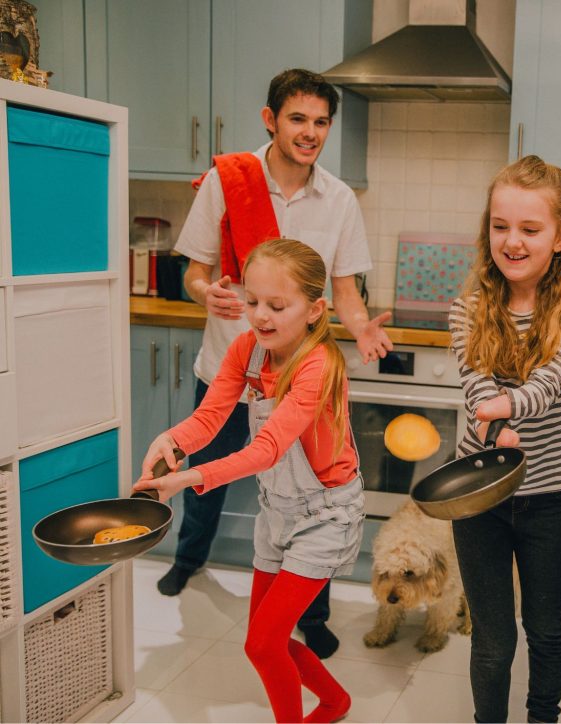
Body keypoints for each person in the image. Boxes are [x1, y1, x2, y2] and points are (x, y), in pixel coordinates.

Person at [163, 68, 392, 659]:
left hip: (295, 382)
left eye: (320, 122)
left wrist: (361, 325)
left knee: (307, 499)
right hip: (229, 365)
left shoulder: (339, 199)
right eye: (298, 119)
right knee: (208, 477)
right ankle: (189, 561)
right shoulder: (227, 180)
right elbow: (195, 269)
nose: (310, 132)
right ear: (270, 119)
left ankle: (311, 614)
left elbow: (343, 289)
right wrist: (201, 292)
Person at [135, 238, 364, 724]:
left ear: (313, 309)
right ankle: (336, 702)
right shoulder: (247, 349)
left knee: (262, 642)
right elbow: (209, 418)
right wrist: (171, 441)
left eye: (277, 306)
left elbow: (266, 451)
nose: (261, 316)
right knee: (264, 644)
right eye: (253, 301)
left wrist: (191, 477)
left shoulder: (317, 366)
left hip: (327, 515)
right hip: (277, 510)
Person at [448, 155, 561, 723]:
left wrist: (505, 408)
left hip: (547, 499)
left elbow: (552, 379)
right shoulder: (466, 309)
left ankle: (543, 718)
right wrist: (494, 419)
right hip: (478, 499)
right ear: (487, 229)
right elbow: (474, 383)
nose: (512, 241)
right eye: (500, 227)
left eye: (529, 229)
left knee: (547, 629)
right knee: (492, 641)